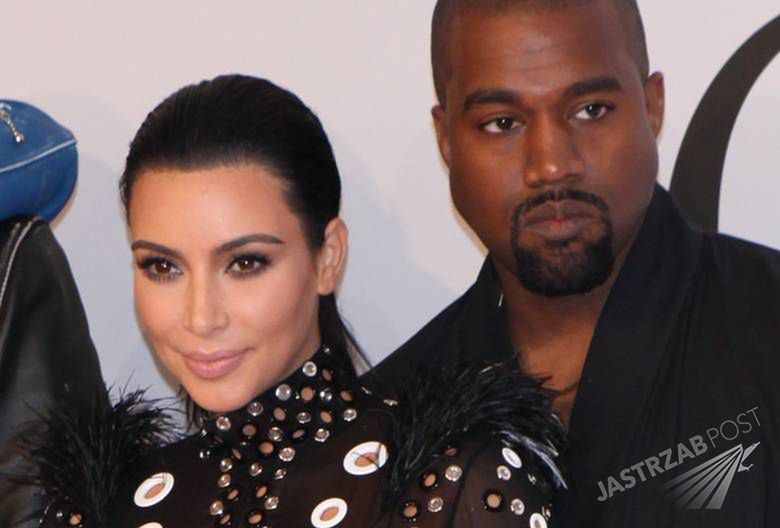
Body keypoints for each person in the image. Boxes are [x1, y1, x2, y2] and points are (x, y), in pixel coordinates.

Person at [27, 74, 564, 528]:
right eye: (162, 267)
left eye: (244, 263)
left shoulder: (450, 481)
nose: (199, 317)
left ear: (327, 257)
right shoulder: (105, 506)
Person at [374, 0, 780, 526]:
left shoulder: (767, 325)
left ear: (653, 105)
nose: (550, 164)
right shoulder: (385, 421)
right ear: (446, 138)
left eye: (590, 110)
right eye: (502, 123)